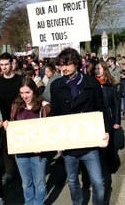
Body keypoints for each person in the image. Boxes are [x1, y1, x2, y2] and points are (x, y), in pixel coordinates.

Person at [50, 48, 109, 205]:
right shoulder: (56, 86)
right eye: (61, 65)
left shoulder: (91, 83)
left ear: (76, 63)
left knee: (98, 182)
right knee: (73, 181)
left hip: (90, 142)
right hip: (69, 144)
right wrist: (57, 139)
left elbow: (102, 109)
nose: (63, 68)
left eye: (67, 64)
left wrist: (106, 131)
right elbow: (55, 114)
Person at [4, 77, 51, 205]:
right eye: (22, 93)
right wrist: (8, 125)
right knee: (26, 183)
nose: (24, 96)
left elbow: (50, 130)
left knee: (40, 183)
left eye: (27, 92)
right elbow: (13, 126)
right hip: (21, 152)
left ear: (34, 91)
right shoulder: (16, 106)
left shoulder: (44, 107)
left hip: (38, 153)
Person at [0, 52, 23, 185]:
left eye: (6, 64)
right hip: (3, 121)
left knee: (21, 147)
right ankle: (9, 172)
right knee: (6, 148)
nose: (4, 67)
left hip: (19, 119)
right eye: (1, 64)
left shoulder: (20, 80)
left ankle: (23, 172)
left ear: (12, 64)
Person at [95, 61, 122, 175]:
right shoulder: (92, 83)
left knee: (108, 144)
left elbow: (116, 103)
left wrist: (117, 120)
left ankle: (110, 166)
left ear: (104, 69)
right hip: (95, 117)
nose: (97, 71)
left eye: (99, 68)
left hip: (107, 117)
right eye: (95, 69)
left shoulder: (110, 85)